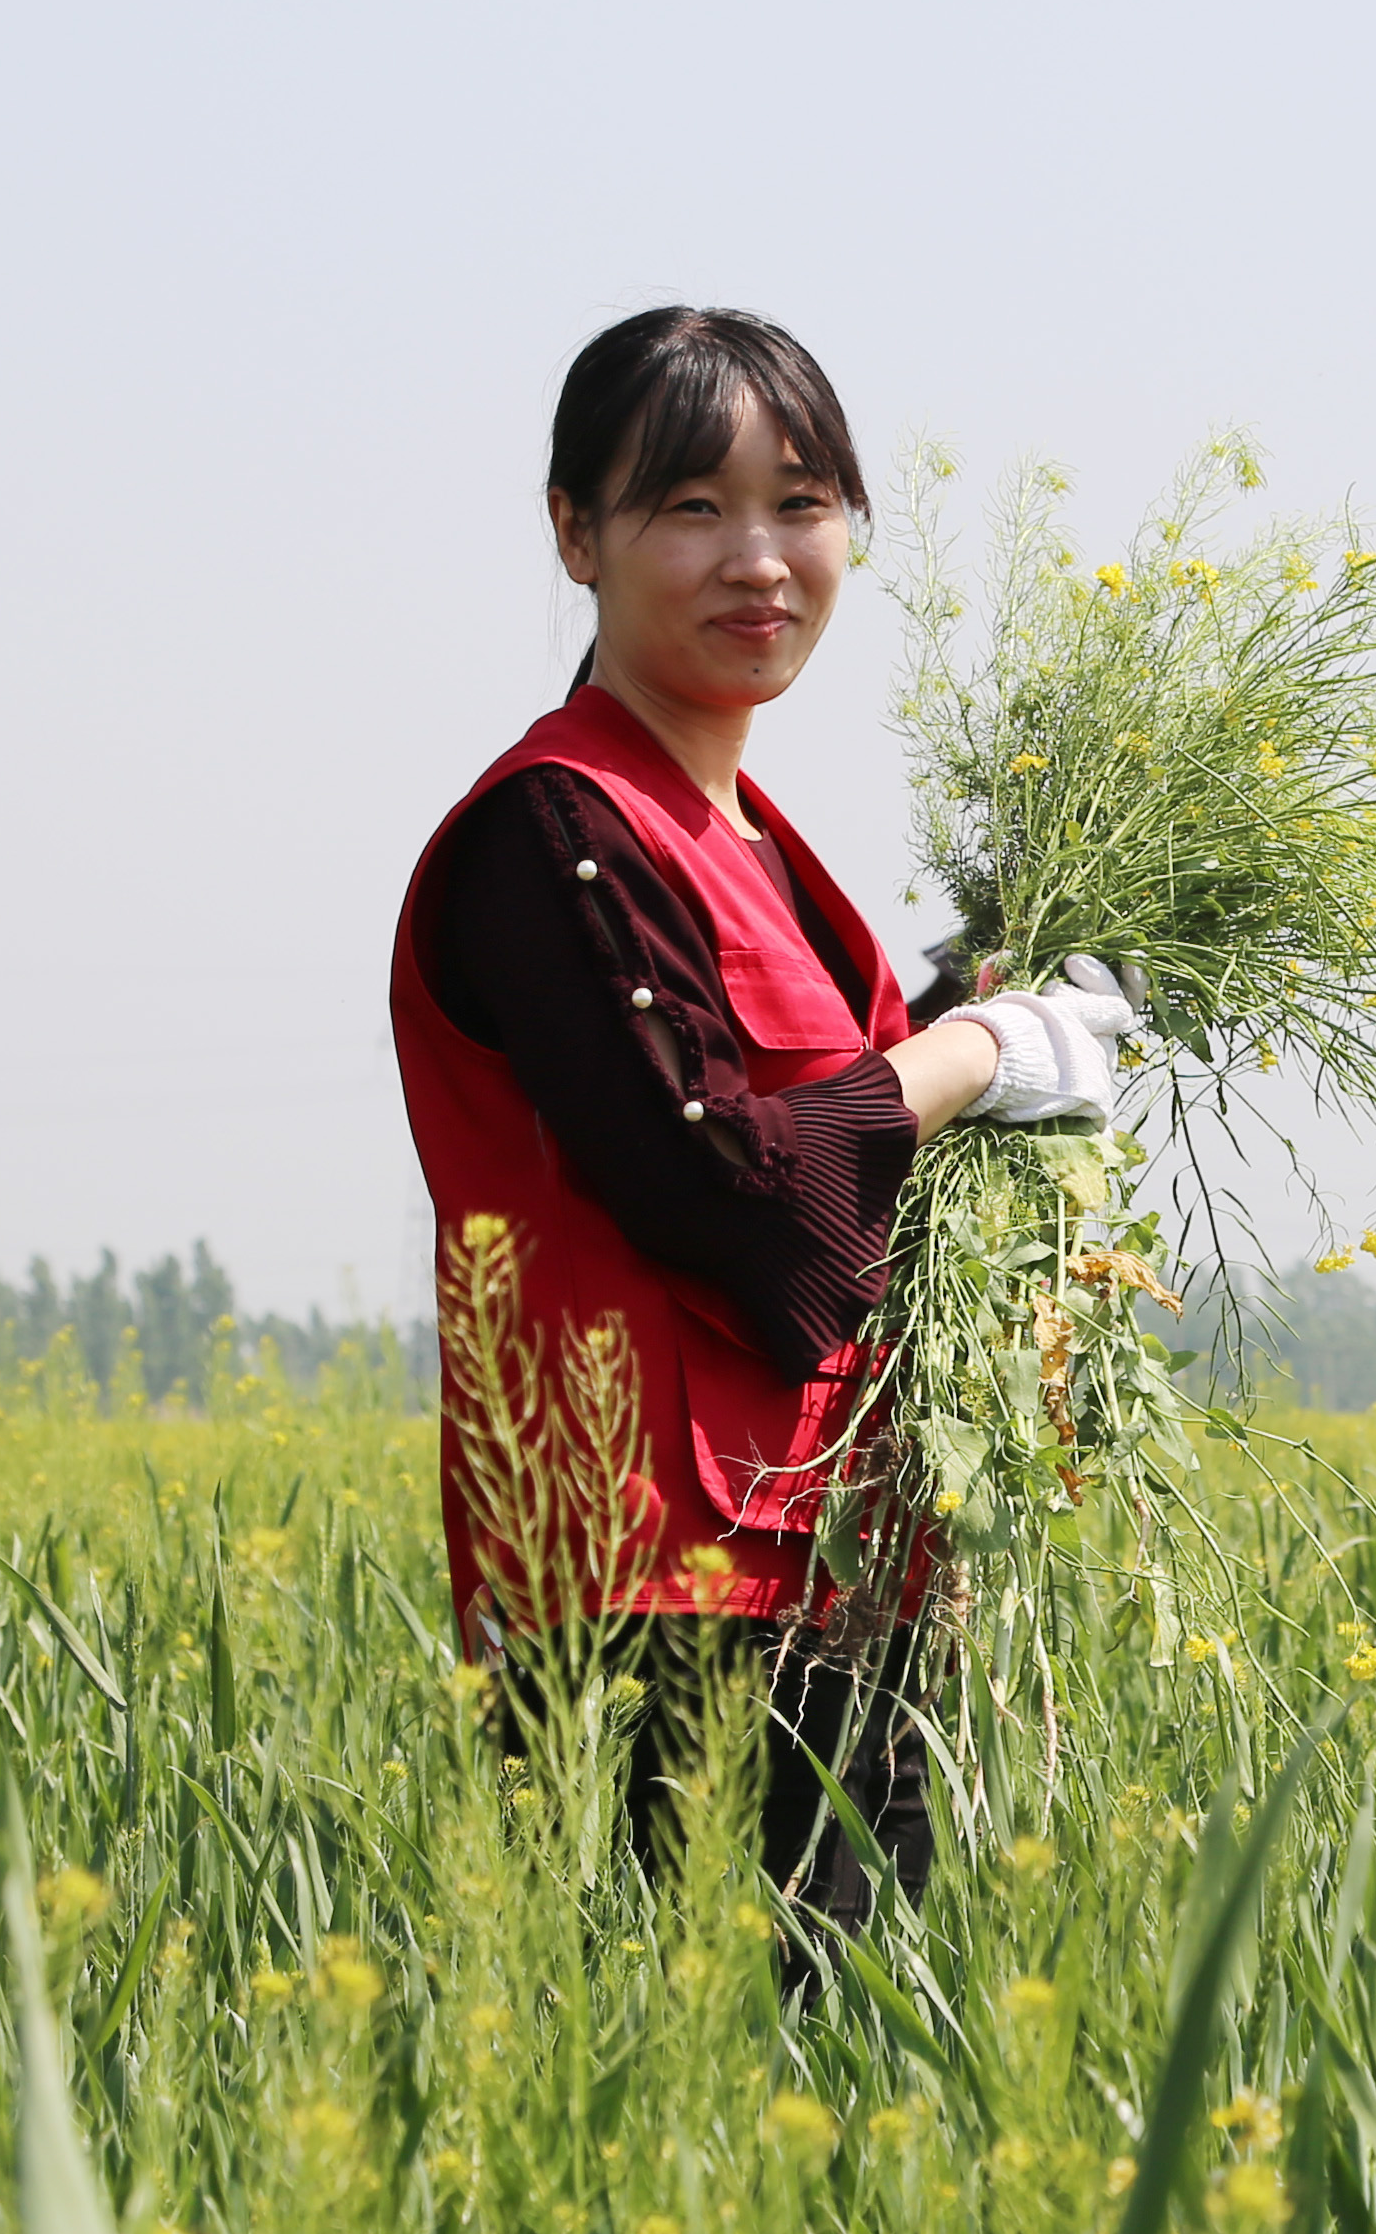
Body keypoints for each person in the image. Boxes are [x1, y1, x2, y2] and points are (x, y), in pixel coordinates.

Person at [386, 307, 1135, 1932]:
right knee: (693, 2115)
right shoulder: (552, 835)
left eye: (800, 503)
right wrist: (973, 1058)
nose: (760, 558)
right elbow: (738, 1201)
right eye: (690, 507)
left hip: (831, 1574)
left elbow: (837, 1128)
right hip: (654, 1605)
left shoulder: (756, 844)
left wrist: (1002, 1001)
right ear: (575, 533)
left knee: (855, 2114)